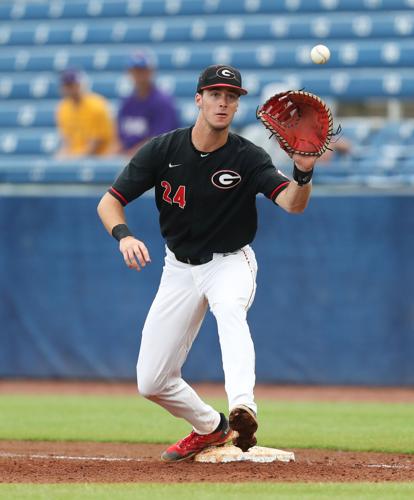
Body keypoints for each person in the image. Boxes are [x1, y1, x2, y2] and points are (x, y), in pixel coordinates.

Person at [97, 64, 319, 462]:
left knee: (229, 310)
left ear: (237, 105)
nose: (223, 102)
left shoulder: (248, 157)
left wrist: (304, 173)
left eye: (231, 96)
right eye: (215, 94)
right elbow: (109, 202)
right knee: (151, 381)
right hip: (178, 268)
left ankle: (243, 408)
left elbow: (291, 204)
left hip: (230, 263)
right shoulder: (163, 150)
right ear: (198, 99)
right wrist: (123, 235)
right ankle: (211, 427)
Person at [115, 51, 180, 157]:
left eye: (142, 70)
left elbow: (160, 140)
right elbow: (119, 137)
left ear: (151, 71)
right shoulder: (126, 101)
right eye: (135, 70)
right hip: (130, 159)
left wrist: (130, 155)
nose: (138, 75)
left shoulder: (163, 102)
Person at [55, 69, 115, 158]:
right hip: (75, 156)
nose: (70, 89)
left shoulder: (97, 105)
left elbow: (97, 142)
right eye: (67, 85)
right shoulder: (63, 108)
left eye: (72, 85)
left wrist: (74, 158)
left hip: (100, 157)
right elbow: (66, 141)